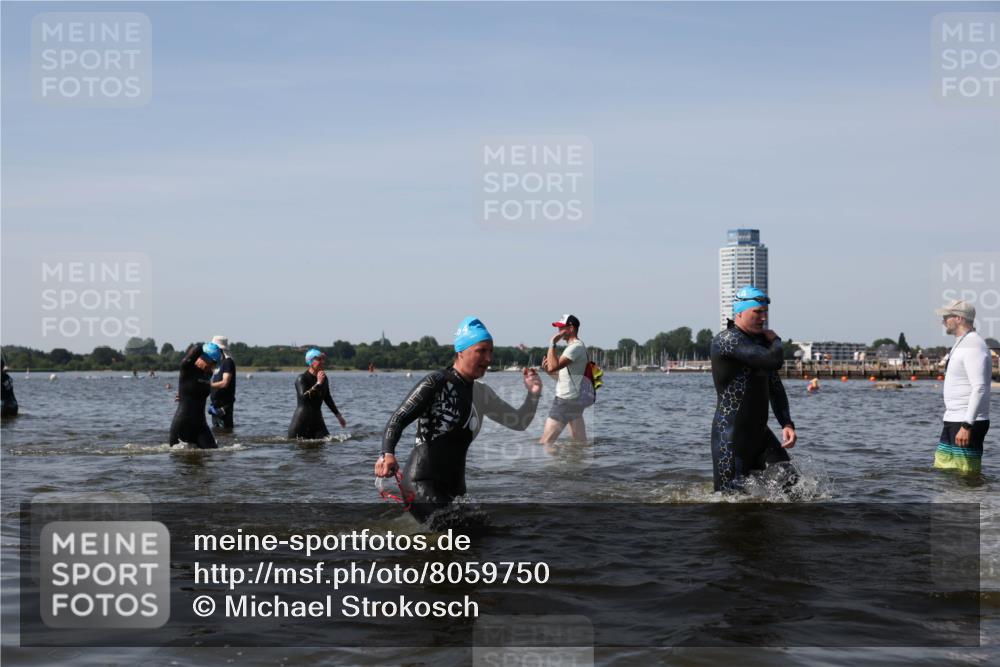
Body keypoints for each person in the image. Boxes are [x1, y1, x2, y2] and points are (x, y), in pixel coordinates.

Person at [375, 316, 542, 523]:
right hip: (421, 483)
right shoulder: (436, 383)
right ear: (461, 351)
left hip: (455, 488)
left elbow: (518, 422)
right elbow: (398, 418)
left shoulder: (483, 394)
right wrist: (387, 454)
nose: (488, 358)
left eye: (491, 352)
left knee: (481, 537)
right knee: (464, 537)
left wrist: (534, 394)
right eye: (481, 351)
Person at [710, 286, 797, 493]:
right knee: (729, 502)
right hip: (730, 438)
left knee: (792, 485)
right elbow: (773, 360)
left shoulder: (758, 344)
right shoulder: (727, 340)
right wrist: (776, 340)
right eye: (757, 312)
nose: (763, 317)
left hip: (759, 434)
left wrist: (786, 422)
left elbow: (774, 386)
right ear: (739, 312)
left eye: (765, 312)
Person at [933, 299, 991, 474]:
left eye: (946, 317)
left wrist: (967, 426)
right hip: (953, 418)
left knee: (966, 476)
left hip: (967, 422)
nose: (943, 321)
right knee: (944, 472)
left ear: (959, 318)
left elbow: (979, 387)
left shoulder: (974, 345)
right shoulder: (961, 343)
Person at [539, 314, 589, 444]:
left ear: (571, 328)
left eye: (561, 328)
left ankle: (550, 465)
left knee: (545, 442)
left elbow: (553, 366)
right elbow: (561, 377)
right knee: (580, 443)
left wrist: (552, 344)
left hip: (565, 401)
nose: (558, 332)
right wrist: (548, 370)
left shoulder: (575, 347)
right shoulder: (574, 347)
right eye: (558, 328)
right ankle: (578, 464)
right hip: (574, 400)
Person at [169, 343, 220, 449]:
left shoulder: (208, 374)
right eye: (212, 362)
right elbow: (197, 347)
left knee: (214, 452)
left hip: (200, 425)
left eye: (215, 364)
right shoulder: (187, 368)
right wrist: (206, 348)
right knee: (179, 460)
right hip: (183, 423)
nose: (212, 366)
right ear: (203, 357)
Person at [288, 348, 346, 439]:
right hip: (301, 422)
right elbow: (304, 397)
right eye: (319, 359)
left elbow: (327, 398)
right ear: (310, 362)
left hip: (317, 421)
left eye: (323, 359)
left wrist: (338, 416)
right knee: (300, 449)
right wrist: (318, 384)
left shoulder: (324, 378)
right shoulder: (302, 378)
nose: (322, 362)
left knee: (325, 445)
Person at [209, 335, 237, 431]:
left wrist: (209, 385)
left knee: (225, 433)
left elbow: (225, 383)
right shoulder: (217, 363)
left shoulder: (228, 362)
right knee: (216, 434)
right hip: (215, 406)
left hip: (224, 407)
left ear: (219, 349)